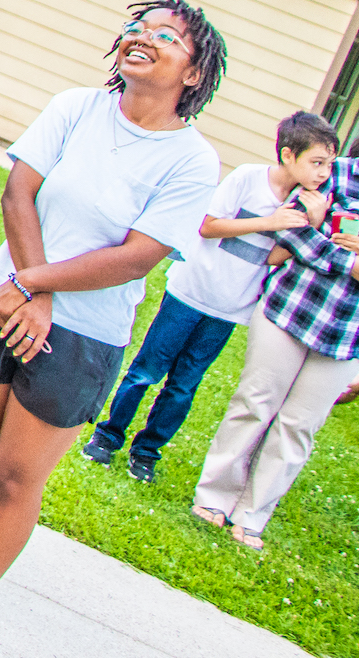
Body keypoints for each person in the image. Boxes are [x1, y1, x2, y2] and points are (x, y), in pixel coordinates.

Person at [0, 0, 226, 658]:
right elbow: (18, 191)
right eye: (137, 28)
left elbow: (139, 253)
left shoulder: (192, 160)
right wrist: (25, 288)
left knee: (16, 478)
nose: (142, 37)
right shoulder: (75, 106)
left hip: (81, 339)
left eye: (166, 36)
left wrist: (34, 287)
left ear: (194, 74)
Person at [82, 111, 338, 482]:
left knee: (184, 385)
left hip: (230, 309)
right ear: (287, 154)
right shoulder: (248, 178)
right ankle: (107, 437)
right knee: (146, 370)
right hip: (189, 293)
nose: (323, 174)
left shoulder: (306, 203)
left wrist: (310, 226)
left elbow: (273, 257)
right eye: (316, 163)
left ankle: (147, 452)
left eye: (328, 166)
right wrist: (270, 221)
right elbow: (207, 226)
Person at [193, 105, 359, 549]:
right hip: (290, 310)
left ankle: (252, 516)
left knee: (298, 425)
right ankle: (214, 498)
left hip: (349, 333)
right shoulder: (331, 174)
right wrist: (351, 263)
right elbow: (292, 231)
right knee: (255, 402)